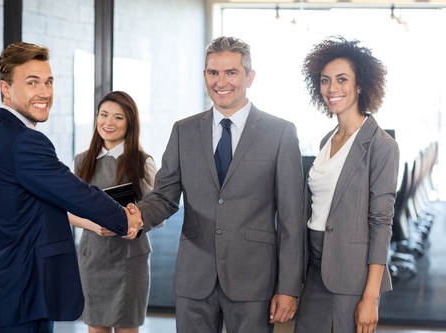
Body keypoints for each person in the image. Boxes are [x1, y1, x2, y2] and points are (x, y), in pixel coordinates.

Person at [0, 42, 142, 333]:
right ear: (5, 89)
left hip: (0, 296)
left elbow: (31, 208)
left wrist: (95, 224)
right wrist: (124, 219)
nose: (45, 92)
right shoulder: (25, 142)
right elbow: (75, 192)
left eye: (48, 82)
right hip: (22, 298)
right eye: (32, 82)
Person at [130, 36, 305, 333]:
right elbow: (164, 196)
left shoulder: (280, 133)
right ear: (204, 76)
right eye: (213, 72)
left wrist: (288, 287)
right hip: (194, 276)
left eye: (231, 72)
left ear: (249, 77)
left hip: (254, 279)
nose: (220, 81)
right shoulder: (183, 131)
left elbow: (292, 219)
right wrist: (138, 216)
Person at [294, 36, 400, 333]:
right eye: (325, 80)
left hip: (351, 275)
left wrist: (371, 297)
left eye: (342, 79)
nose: (332, 88)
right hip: (314, 269)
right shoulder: (328, 139)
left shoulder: (381, 146)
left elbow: (381, 223)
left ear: (360, 85)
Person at [69, 91, 156, 333]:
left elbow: (158, 214)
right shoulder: (82, 161)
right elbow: (66, 211)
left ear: (130, 123)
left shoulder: (142, 161)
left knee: (127, 327)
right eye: (104, 115)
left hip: (130, 259)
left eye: (118, 117)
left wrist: (136, 219)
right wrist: (93, 225)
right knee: (96, 326)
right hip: (93, 257)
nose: (108, 123)